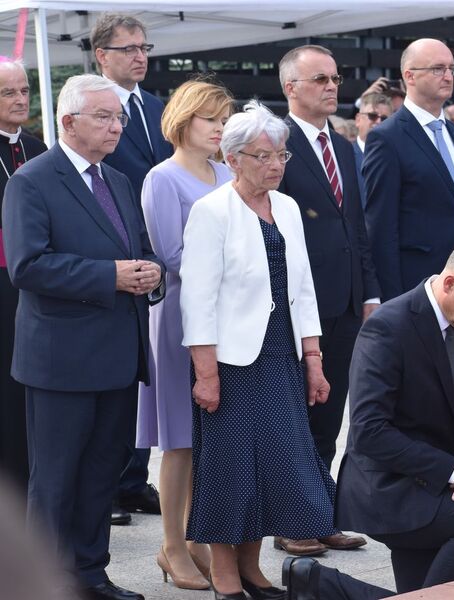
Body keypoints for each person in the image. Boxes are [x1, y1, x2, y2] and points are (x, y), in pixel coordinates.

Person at [3, 73, 164, 600]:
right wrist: (110, 276)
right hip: (61, 359)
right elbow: (27, 266)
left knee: (100, 477)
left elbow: (138, 249)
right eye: (105, 117)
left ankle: (91, 574)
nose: (117, 125)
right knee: (54, 483)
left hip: (118, 356)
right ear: (69, 122)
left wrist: (151, 273)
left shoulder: (117, 180)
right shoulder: (32, 179)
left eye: (118, 117)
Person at [180, 100, 336, 600]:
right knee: (230, 469)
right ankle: (224, 571)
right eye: (263, 156)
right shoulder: (210, 211)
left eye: (282, 156)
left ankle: (252, 566)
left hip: (280, 358)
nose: (275, 165)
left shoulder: (287, 207)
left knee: (275, 467)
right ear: (232, 159)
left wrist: (313, 360)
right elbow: (197, 299)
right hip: (229, 362)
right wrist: (206, 374)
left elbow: (304, 289)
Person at [334, 239, 454, 595]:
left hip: (440, 488)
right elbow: (370, 431)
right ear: (450, 283)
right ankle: (323, 582)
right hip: (389, 486)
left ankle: (313, 581)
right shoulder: (389, 326)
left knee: (420, 591)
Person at [276, 43, 376, 556]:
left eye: (335, 78)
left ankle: (322, 512)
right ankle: (293, 520)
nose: (332, 87)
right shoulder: (277, 143)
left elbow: (355, 226)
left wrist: (369, 291)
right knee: (293, 415)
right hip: (294, 304)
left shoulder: (342, 145)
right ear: (291, 88)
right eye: (319, 79)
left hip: (344, 302)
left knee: (329, 412)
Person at [137, 79, 234, 590]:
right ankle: (171, 544)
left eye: (223, 119)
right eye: (210, 119)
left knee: (209, 438)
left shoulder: (225, 171)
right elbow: (171, 253)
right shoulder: (162, 177)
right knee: (179, 441)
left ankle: (196, 539)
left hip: (226, 314)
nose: (219, 127)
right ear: (183, 122)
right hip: (181, 315)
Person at [91, 12, 173, 522]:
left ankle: (135, 478)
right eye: (129, 49)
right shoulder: (90, 106)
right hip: (114, 249)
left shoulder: (157, 108)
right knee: (120, 369)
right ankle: (112, 483)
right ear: (102, 56)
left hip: (160, 252)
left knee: (150, 371)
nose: (140, 56)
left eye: (144, 47)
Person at [363, 38, 454, 301]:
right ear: (409, 76)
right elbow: (380, 226)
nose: (448, 76)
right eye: (438, 69)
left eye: (451, 68)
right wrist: (390, 298)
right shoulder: (386, 138)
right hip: (415, 284)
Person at [0, 57, 47, 493]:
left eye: (24, 91)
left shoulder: (36, 150)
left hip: (35, 289)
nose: (19, 99)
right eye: (7, 92)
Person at [353, 92, 392, 209]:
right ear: (358, 120)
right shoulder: (344, 155)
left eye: (384, 118)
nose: (379, 122)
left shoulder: (398, 157)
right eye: (373, 116)